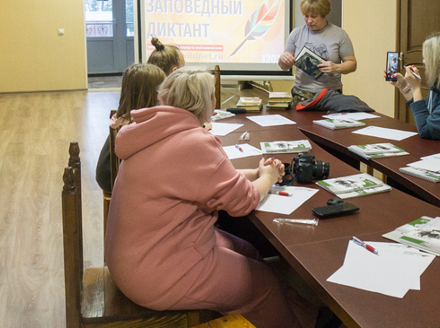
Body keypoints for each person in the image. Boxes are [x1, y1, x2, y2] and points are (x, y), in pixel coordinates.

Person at [104, 68, 318, 328]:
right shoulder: (194, 142)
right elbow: (244, 200)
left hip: (135, 258)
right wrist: (270, 177)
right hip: (157, 273)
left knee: (248, 250)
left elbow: (204, 179)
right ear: (206, 102)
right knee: (263, 284)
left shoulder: (156, 131)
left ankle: (303, 315)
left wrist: (257, 173)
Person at [95, 63, 166, 194]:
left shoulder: (124, 118)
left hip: (109, 177)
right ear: (151, 94)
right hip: (115, 182)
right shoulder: (137, 127)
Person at [278, 0, 356, 105]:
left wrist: (336, 67)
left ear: (324, 15)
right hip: (301, 95)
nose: (309, 21)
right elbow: (283, 67)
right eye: (306, 16)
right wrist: (283, 59)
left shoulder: (340, 35)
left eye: (314, 17)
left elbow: (352, 64)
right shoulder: (296, 34)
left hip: (330, 95)